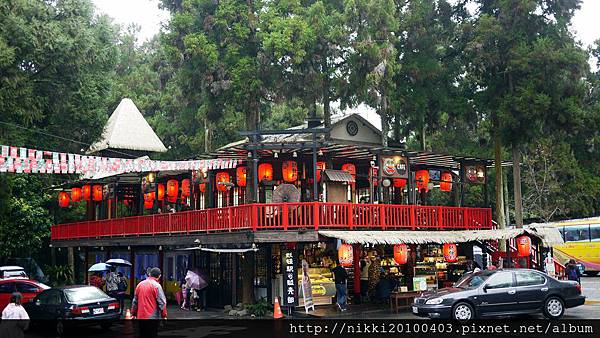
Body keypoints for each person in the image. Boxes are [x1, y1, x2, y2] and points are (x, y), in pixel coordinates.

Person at [132, 267, 167, 338]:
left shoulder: (140, 285)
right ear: (159, 276)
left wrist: (133, 313)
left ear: (149, 274)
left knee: (142, 334)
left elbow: (135, 301)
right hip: (152, 317)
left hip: (140, 316)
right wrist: (164, 316)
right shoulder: (157, 286)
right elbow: (162, 303)